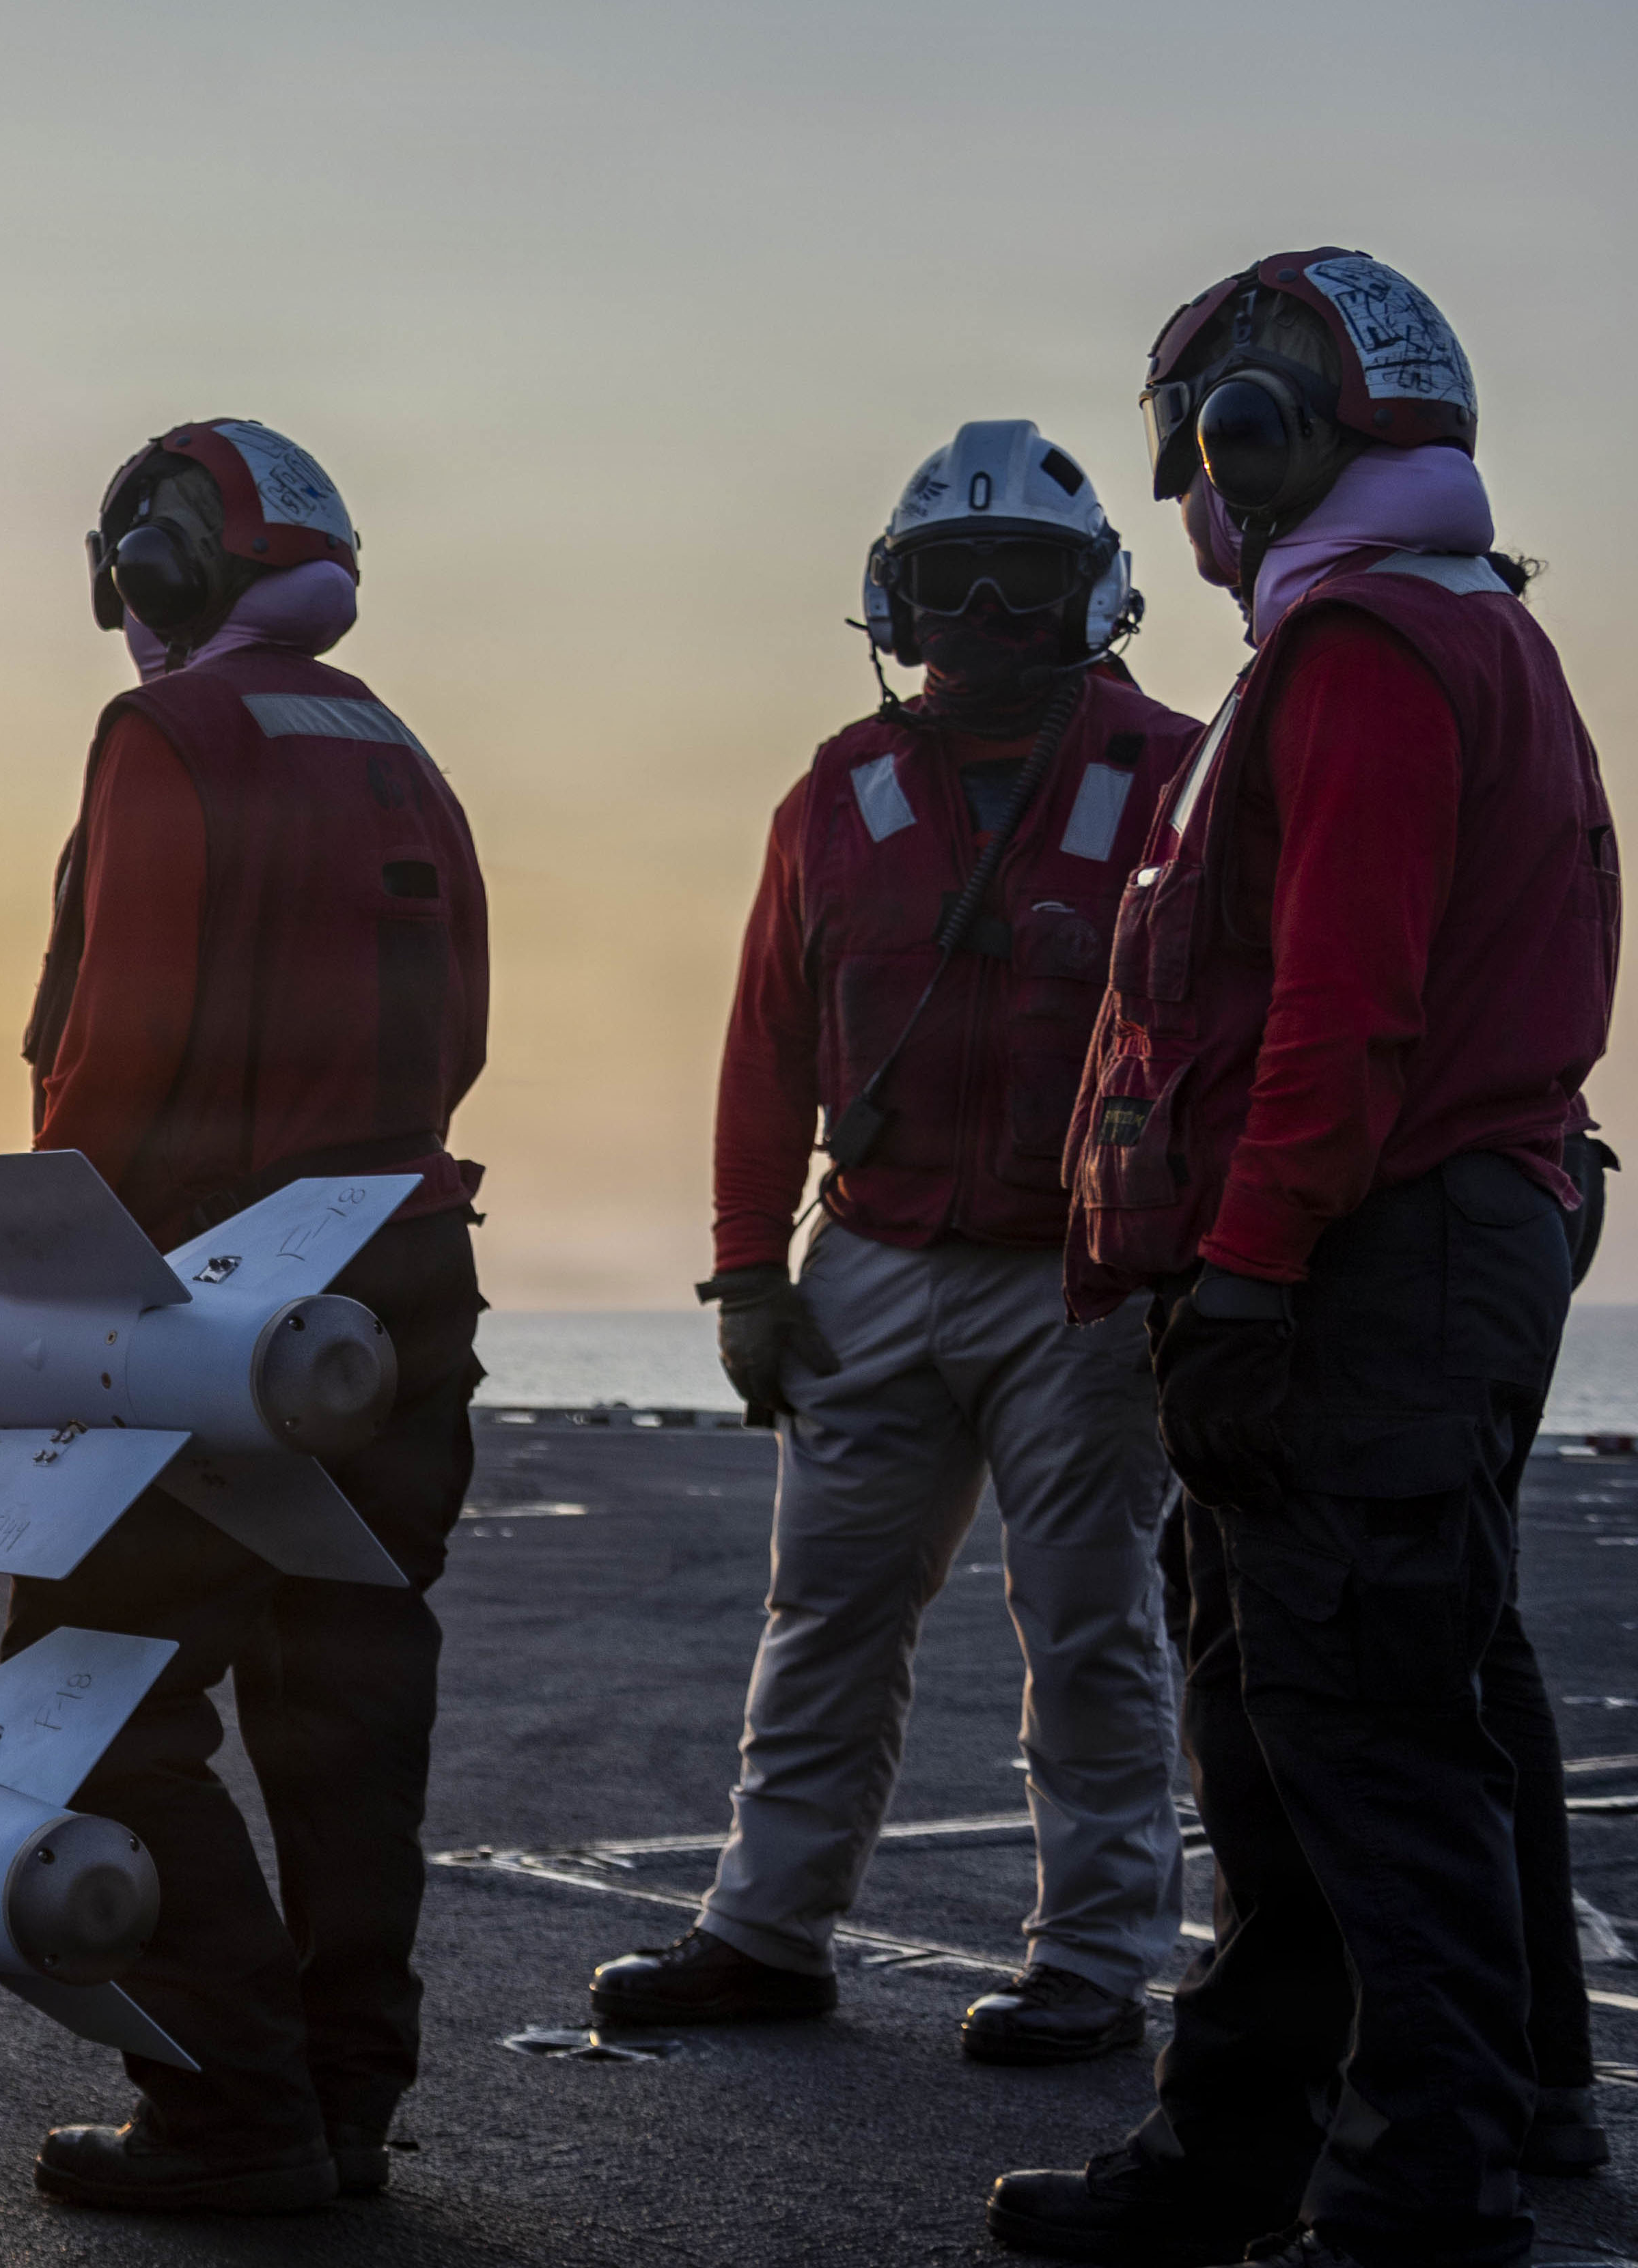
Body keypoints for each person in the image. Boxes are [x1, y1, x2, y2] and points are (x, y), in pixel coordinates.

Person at [991, 249, 1615, 2268]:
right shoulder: (1465, 628)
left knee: (1348, 1746)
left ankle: (1414, 2200)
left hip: (1367, 1257)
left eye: (1200, 454)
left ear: (1260, 439)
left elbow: (1342, 1013)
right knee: (1329, 1731)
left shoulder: (1358, 653)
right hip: (1439, 1239)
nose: (1191, 501)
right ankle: (1263, 2155)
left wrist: (1248, 1278)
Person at [588, 423, 1201, 2064]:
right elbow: (762, 1044)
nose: (988, 612)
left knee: (1084, 1626)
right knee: (824, 1615)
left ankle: (1090, 1960)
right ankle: (764, 1932)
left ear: (1095, 599)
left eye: (1026, 582)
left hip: (1082, 1282)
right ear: (896, 599)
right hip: (867, 1265)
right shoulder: (830, 799)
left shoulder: (1183, 777)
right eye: (951, 580)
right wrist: (741, 1268)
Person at [12, 419, 488, 2214]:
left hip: (211, 1288)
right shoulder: (398, 746)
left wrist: (56, 1300)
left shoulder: (172, 732)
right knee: (345, 1710)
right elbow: (458, 1037)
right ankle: (348, 2105)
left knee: (81, 1700)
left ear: (158, 568)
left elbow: (114, 1050)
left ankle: (227, 2107)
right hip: (409, 1262)